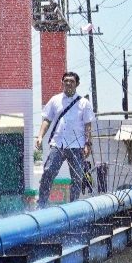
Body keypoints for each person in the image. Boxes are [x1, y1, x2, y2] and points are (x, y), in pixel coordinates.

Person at [35, 71, 96, 208]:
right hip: (58, 144)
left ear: (77, 84)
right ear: (62, 82)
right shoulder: (55, 100)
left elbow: (88, 125)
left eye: (72, 81)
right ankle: (41, 204)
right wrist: (40, 136)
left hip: (77, 145)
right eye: (66, 81)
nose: (68, 83)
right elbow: (47, 120)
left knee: (77, 177)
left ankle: (73, 206)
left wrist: (88, 144)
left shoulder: (84, 103)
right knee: (48, 171)